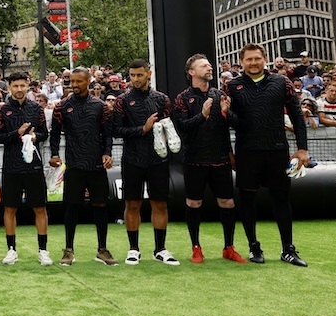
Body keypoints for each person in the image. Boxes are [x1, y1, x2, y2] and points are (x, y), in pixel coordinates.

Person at [225, 43, 310, 266]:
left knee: (282, 198)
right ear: (241, 62)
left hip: (277, 150)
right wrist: (228, 151)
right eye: (249, 59)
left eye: (257, 58)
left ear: (265, 59)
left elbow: (297, 116)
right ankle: (254, 247)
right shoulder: (231, 86)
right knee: (247, 200)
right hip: (247, 152)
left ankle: (288, 249)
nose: (253, 63)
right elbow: (225, 121)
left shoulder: (282, 82)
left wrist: (302, 148)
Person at [172, 54, 245, 264]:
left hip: (220, 159)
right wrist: (202, 115)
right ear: (192, 72)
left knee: (228, 203)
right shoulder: (183, 98)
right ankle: (196, 248)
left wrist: (226, 112)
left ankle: (228, 247)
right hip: (194, 159)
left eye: (210, 65)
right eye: (204, 66)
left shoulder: (220, 94)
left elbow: (235, 124)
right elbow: (183, 128)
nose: (209, 68)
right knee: (194, 203)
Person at [112, 60, 179, 266]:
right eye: (132, 75)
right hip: (132, 159)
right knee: (132, 204)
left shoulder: (162, 99)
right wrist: (143, 129)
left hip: (157, 159)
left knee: (160, 203)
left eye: (139, 75)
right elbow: (116, 130)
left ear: (148, 74)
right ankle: (133, 249)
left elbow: (170, 127)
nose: (135, 79)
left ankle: (160, 249)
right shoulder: (122, 101)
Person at [48, 67, 116, 266]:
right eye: (72, 82)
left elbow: (107, 134)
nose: (75, 85)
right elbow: (54, 135)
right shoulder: (62, 106)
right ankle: (68, 250)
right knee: (71, 207)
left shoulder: (100, 107)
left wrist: (107, 153)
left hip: (96, 165)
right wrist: (54, 154)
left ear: (89, 82)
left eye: (79, 81)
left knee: (101, 206)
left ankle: (102, 250)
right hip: (74, 165)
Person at [0, 72, 53, 266]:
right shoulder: (2, 110)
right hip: (11, 166)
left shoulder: (36, 109)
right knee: (10, 208)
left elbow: (44, 133)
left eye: (22, 86)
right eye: (15, 86)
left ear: (28, 86)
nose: (19, 90)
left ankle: (43, 250)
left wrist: (36, 137)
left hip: (33, 166)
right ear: (9, 87)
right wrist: (16, 133)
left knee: (40, 208)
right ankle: (11, 250)